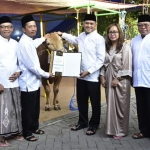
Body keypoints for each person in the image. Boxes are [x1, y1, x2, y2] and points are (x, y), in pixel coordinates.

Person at [57, 14, 105, 135]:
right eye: (86, 23)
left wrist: (88, 71)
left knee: (95, 102)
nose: (88, 25)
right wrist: (62, 34)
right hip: (80, 75)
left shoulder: (99, 39)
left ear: (95, 25)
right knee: (81, 100)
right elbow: (74, 39)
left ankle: (94, 125)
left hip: (92, 76)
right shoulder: (81, 36)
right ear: (83, 24)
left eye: (91, 23)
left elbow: (101, 59)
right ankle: (82, 122)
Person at [17, 15, 53, 142]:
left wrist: (44, 38)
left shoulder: (29, 41)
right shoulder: (24, 44)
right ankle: (27, 132)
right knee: (28, 109)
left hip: (35, 83)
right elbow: (32, 67)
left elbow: (35, 43)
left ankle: (34, 127)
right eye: (30, 27)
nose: (33, 29)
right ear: (23, 29)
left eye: (34, 26)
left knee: (35, 107)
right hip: (27, 83)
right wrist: (48, 74)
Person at [100, 23, 132, 140]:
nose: (113, 34)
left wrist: (117, 78)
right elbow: (103, 64)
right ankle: (112, 128)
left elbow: (127, 64)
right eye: (110, 32)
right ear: (107, 34)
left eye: (115, 32)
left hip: (121, 80)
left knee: (121, 105)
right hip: (108, 78)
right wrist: (102, 76)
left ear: (119, 33)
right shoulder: (106, 47)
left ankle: (121, 130)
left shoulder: (125, 46)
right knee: (111, 105)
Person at [0, 16, 23, 147]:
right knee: (3, 110)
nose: (6, 29)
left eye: (8, 27)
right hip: (2, 83)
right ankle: (2, 136)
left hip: (15, 82)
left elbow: (20, 62)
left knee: (15, 108)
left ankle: (14, 131)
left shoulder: (15, 43)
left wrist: (19, 72)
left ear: (12, 28)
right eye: (3, 27)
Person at [131, 14, 150, 139]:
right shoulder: (134, 40)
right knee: (141, 108)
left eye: (146, 25)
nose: (143, 27)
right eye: (140, 25)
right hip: (138, 80)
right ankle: (143, 131)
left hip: (149, 80)